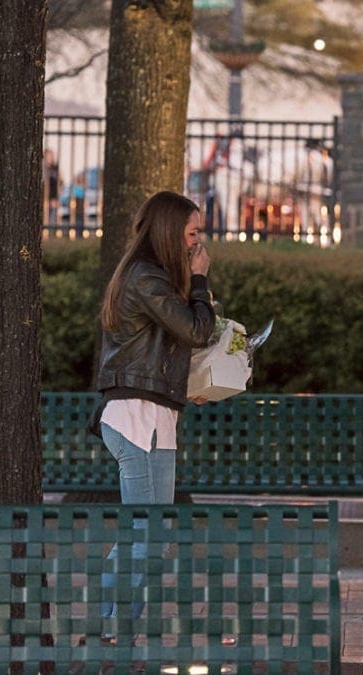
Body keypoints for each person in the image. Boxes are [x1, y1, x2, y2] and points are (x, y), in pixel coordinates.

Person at [90, 190, 216, 628]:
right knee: (145, 533)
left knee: (152, 535)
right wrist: (200, 281)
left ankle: (117, 625)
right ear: (169, 232)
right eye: (192, 233)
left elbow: (169, 345)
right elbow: (196, 331)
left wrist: (187, 387)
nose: (197, 244)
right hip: (133, 417)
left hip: (156, 415)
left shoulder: (154, 277)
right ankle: (110, 625)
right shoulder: (145, 278)